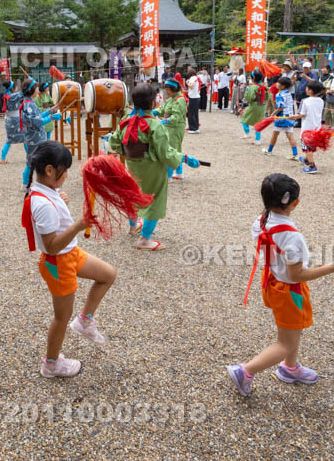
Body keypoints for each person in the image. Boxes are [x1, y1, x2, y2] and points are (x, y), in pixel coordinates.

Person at [227, 174, 334, 395]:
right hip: (289, 291)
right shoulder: (292, 237)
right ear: (295, 203)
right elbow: (297, 275)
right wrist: (331, 267)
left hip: (272, 281)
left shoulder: (261, 220)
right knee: (286, 343)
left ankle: (290, 368)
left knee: (293, 329)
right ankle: (245, 371)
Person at [23, 141, 116, 378]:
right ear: (50, 170)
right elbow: (52, 247)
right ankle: (51, 364)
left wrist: (60, 201)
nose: (66, 175)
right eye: (64, 170)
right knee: (61, 317)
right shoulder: (43, 204)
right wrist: (78, 225)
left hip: (71, 254)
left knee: (107, 275)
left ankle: (84, 321)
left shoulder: (45, 191)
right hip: (58, 263)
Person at [109, 83, 199, 251]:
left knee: (134, 194)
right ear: (152, 103)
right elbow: (165, 153)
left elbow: (114, 143)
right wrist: (184, 158)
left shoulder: (125, 121)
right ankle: (144, 239)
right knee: (154, 199)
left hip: (133, 166)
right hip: (152, 169)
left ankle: (133, 226)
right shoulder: (155, 126)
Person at [19, 78, 59, 188]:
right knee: (33, 162)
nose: (38, 90)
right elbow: (36, 122)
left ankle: (28, 184)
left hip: (35, 137)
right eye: (36, 88)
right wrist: (51, 117)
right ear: (31, 90)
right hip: (34, 138)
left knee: (33, 161)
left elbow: (37, 116)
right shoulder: (29, 105)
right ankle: (27, 184)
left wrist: (49, 112)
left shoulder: (29, 102)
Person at [263, 77, 300, 161]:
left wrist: (273, 114)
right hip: (290, 117)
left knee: (275, 133)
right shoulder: (289, 93)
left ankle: (269, 150)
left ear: (283, 86)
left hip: (281, 118)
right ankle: (295, 154)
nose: (277, 84)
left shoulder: (279, 94)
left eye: (278, 83)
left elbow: (281, 107)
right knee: (290, 135)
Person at [160, 79, 188, 181]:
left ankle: (169, 176)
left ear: (174, 89)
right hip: (170, 127)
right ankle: (179, 173)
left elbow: (175, 118)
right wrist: (152, 112)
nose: (166, 92)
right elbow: (162, 110)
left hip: (175, 128)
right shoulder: (171, 98)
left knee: (171, 150)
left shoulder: (180, 99)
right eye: (166, 89)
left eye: (168, 90)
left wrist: (163, 122)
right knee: (175, 150)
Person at [297, 81, 325, 175]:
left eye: (307, 88)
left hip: (307, 129)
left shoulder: (305, 101)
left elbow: (301, 114)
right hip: (317, 128)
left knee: (307, 148)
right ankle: (306, 159)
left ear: (310, 90)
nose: (306, 89)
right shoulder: (321, 101)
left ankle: (312, 166)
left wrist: (291, 117)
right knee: (311, 146)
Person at [0, 80, 24, 163]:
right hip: (15, 120)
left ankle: (3, 158)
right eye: (15, 87)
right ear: (12, 88)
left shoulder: (7, 95)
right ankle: (30, 156)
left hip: (8, 120)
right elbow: (24, 93)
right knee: (24, 138)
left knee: (9, 140)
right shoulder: (13, 96)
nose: (16, 88)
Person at [239, 72, 267, 143]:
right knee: (258, 122)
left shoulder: (253, 87)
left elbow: (249, 97)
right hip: (262, 105)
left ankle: (247, 133)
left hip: (254, 105)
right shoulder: (264, 86)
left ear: (253, 78)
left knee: (244, 117)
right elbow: (267, 96)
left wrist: (248, 100)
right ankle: (257, 140)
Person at [186, 67, 202, 133]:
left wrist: (187, 82)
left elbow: (191, 86)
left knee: (191, 113)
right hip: (196, 97)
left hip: (193, 98)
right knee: (195, 114)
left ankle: (193, 128)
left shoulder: (192, 78)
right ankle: (196, 127)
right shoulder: (196, 77)